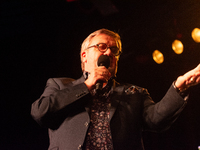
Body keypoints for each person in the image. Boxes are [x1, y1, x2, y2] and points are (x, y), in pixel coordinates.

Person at [31, 28, 200, 150]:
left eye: (114, 50)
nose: (109, 53)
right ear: (84, 55)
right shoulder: (60, 85)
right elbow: (40, 112)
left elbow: (156, 120)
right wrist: (87, 85)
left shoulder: (134, 93)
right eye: (102, 47)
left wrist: (179, 88)